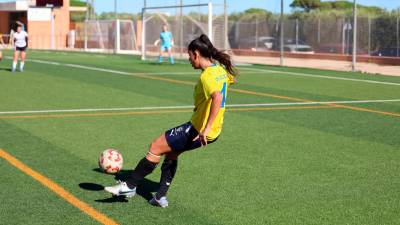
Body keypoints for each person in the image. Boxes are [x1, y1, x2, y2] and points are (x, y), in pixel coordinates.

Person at [105, 34, 238, 208]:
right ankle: (160, 197)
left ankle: (129, 186)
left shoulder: (207, 76)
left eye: (189, 55)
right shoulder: (220, 70)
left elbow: (217, 97)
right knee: (172, 153)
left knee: (155, 147)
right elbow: (229, 82)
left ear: (196, 53)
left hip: (199, 130)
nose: (189, 59)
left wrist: (206, 127)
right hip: (214, 132)